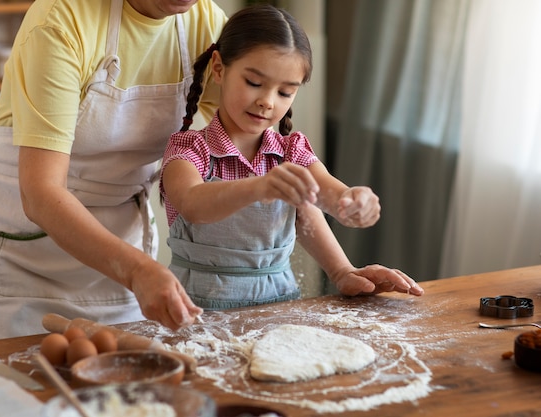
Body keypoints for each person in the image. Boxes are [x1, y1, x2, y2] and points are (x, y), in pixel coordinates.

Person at [0, 0, 228, 341]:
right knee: (27, 388)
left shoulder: (205, 23)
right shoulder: (62, 18)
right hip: (23, 261)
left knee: (118, 389)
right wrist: (137, 271)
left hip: (116, 259)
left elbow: (247, 137)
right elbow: (41, 194)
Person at [159, 4, 424, 310]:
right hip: (196, 313)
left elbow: (327, 192)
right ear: (219, 68)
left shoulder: (291, 151)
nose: (267, 102)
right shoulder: (189, 150)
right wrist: (260, 187)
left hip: (278, 310)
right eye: (254, 83)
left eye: (285, 92)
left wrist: (353, 208)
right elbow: (194, 204)